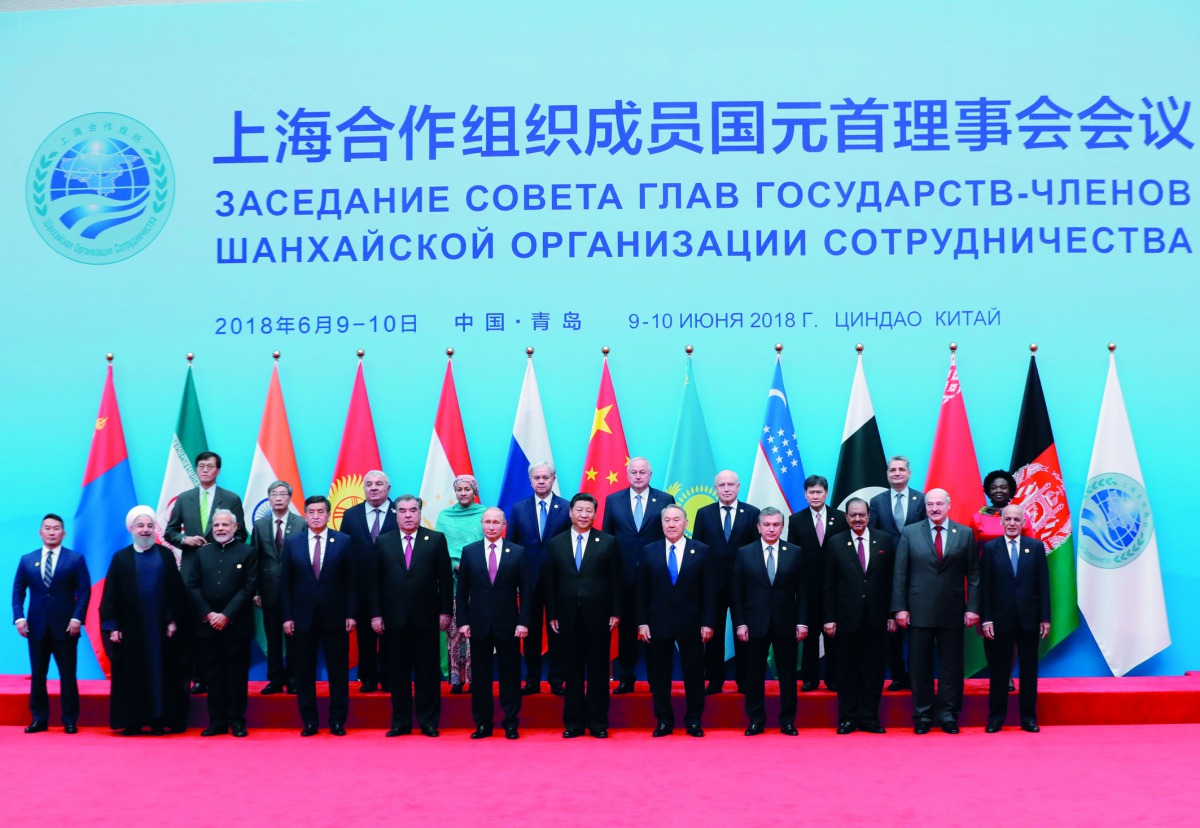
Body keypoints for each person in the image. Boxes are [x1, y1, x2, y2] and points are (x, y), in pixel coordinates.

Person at [891, 488, 980, 734]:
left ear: (948, 505)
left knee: (952, 666)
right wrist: (900, 608)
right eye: (930, 504)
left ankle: (949, 714)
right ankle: (923, 715)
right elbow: (900, 573)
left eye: (939, 504)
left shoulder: (964, 534)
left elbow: (973, 575)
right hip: (918, 611)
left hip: (953, 611)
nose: (934, 508)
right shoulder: (910, 533)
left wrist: (973, 607)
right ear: (925, 507)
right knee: (920, 666)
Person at [99, 506, 190, 735]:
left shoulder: (166, 555)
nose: (145, 530)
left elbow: (175, 593)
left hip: (160, 631)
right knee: (132, 674)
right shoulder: (121, 558)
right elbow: (110, 594)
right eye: (140, 525)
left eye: (149, 525)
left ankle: (159, 720)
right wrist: (113, 626)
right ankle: (133, 721)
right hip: (131, 630)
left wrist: (172, 620)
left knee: (162, 674)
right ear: (131, 529)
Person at [164, 450, 247, 695]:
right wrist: (185, 539)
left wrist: (219, 546)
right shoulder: (184, 498)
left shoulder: (231, 498)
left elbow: (241, 535)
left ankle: (224, 677)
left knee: (222, 626)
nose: (205, 470)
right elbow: (169, 532)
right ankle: (198, 677)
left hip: (224, 572)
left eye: (210, 466)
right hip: (192, 571)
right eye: (201, 466)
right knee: (195, 628)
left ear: (218, 471)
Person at [371, 495, 453, 737]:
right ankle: (401, 722)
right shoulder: (384, 541)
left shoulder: (435, 539)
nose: (408, 515)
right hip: (394, 619)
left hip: (426, 618)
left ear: (419, 513)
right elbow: (374, 582)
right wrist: (376, 615)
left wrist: (445, 611)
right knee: (397, 673)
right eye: (403, 511)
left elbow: (445, 580)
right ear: (395, 514)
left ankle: (429, 722)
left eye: (413, 510)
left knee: (427, 672)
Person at [545, 493, 621, 738]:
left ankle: (598, 723)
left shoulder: (608, 541)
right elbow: (551, 582)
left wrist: (616, 612)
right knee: (573, 672)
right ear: (570, 512)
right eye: (579, 510)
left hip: (599, 617)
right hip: (566, 618)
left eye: (589, 511)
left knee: (599, 672)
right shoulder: (556, 542)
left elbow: (615, 580)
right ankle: (573, 724)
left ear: (595, 514)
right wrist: (553, 613)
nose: (584, 515)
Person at [280, 495, 356, 737]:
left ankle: (336, 721)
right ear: (305, 514)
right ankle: (310, 721)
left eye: (320, 511)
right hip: (301, 618)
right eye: (311, 511)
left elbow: (352, 583)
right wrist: (287, 616)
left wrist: (351, 614)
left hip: (336, 616)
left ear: (328, 514)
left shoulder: (343, 541)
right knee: (303, 672)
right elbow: (285, 584)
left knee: (338, 672)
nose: (315, 516)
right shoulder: (293, 542)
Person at [636, 505, 714, 737]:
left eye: (676, 520)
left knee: (694, 675)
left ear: (686, 523)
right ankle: (663, 721)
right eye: (667, 520)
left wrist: (708, 622)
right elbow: (641, 591)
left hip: (692, 623)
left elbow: (709, 591)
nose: (671, 524)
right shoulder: (649, 550)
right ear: (662, 524)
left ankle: (693, 721)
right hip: (657, 623)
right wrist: (642, 622)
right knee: (659, 676)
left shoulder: (701, 550)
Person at [456, 507, 532, 739]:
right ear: (482, 524)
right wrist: (463, 621)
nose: (491, 526)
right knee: (480, 677)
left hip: (508, 624)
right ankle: (482, 724)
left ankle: (510, 723)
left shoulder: (517, 553)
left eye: (495, 523)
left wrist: (523, 622)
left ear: (503, 525)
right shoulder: (469, 552)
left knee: (510, 676)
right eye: (487, 522)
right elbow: (462, 592)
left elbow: (527, 592)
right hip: (478, 624)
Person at [12, 513, 90, 734]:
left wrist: (77, 618)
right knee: (38, 675)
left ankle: (70, 720)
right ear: (40, 532)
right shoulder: (27, 560)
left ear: (63, 533)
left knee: (67, 675)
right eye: (47, 528)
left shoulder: (75, 559)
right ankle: (39, 719)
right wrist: (19, 618)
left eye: (56, 528)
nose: (51, 532)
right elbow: (18, 591)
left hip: (66, 628)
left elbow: (84, 592)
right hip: (36, 628)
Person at [602, 456, 674, 694]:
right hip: (623, 577)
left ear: (650, 475)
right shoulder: (613, 500)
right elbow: (607, 539)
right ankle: (626, 678)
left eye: (643, 472)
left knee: (657, 628)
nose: (638, 476)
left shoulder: (665, 499)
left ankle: (656, 679)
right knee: (626, 630)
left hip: (656, 576)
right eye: (634, 472)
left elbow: (669, 537)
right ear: (627, 474)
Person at [732, 507, 807, 736]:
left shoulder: (794, 552)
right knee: (753, 675)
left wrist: (802, 622)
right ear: (759, 527)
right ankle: (756, 720)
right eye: (767, 524)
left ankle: (787, 721)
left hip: (786, 623)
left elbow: (803, 590)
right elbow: (737, 592)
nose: (771, 529)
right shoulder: (745, 552)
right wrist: (740, 623)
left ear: (782, 527)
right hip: (754, 624)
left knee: (787, 675)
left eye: (776, 524)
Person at [823, 498, 895, 734]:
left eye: (861, 515)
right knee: (846, 670)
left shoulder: (884, 540)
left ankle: (869, 717)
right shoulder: (835, 543)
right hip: (845, 619)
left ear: (869, 515)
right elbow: (828, 585)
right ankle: (847, 717)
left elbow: (891, 581)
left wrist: (892, 614)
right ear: (846, 517)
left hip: (877, 617)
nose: (857, 519)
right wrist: (829, 617)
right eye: (853, 515)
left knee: (873, 669)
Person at [186, 509, 257, 737]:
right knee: (213, 676)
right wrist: (209, 614)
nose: (220, 529)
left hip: (236, 626)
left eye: (225, 525)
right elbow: (193, 586)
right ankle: (217, 722)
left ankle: (237, 721)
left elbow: (249, 588)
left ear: (235, 528)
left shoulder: (248, 552)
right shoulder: (202, 554)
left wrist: (226, 615)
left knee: (236, 675)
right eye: (216, 525)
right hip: (207, 627)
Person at [981, 504, 1051, 733]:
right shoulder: (991, 549)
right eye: (1008, 519)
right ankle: (996, 719)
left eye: (1016, 519)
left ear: (1023, 523)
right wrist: (987, 618)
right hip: (999, 620)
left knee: (1029, 672)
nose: (1012, 523)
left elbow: (1043, 586)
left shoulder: (1036, 547)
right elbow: (985, 588)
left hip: (1029, 620)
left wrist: (1045, 618)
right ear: (1001, 522)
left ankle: (1029, 718)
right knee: (999, 672)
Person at [691, 470, 760, 695]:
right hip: (712, 585)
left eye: (731, 484)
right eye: (722, 485)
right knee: (713, 634)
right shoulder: (703, 513)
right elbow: (697, 551)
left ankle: (744, 679)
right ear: (715, 488)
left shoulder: (752, 513)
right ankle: (714, 680)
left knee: (744, 634)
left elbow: (756, 552)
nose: (727, 488)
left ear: (739, 486)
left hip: (744, 585)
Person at [506, 461, 571, 695]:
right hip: (526, 581)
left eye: (545, 477)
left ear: (553, 479)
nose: (541, 481)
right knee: (530, 633)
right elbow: (511, 546)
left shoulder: (566, 508)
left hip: (559, 581)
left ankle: (557, 681)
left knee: (558, 632)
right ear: (530, 480)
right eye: (537, 478)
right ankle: (532, 680)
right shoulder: (518, 508)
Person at [868, 455, 925, 691]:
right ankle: (899, 676)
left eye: (902, 469)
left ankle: (916, 676)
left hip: (918, 571)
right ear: (887, 474)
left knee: (917, 629)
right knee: (890, 629)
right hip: (887, 573)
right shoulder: (877, 501)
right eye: (893, 470)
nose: (897, 473)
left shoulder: (922, 499)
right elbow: (873, 536)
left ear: (909, 473)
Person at [337, 470, 397, 694]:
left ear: (388, 488)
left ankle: (389, 677)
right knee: (365, 637)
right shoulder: (351, 515)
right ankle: (368, 678)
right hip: (360, 588)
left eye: (379, 484)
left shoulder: (399, 512)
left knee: (391, 636)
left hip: (393, 587)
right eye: (369, 484)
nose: (373, 488)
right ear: (363, 489)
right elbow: (343, 550)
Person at [786, 474, 847, 692]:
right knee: (810, 636)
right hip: (807, 589)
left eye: (819, 492)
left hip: (835, 588)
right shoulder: (796, 519)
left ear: (826, 493)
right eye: (811, 492)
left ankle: (833, 678)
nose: (815, 496)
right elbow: (792, 555)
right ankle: (810, 678)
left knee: (833, 635)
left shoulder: (840, 518)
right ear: (805, 494)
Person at [249, 480, 305, 695]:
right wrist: (255, 591)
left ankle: (292, 678)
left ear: (290, 498)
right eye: (274, 494)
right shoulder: (260, 525)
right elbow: (255, 560)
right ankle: (275, 679)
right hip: (269, 590)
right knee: (273, 637)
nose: (279, 497)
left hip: (295, 591)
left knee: (293, 637)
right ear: (269, 498)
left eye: (283, 494)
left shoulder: (300, 523)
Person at [435, 474, 485, 693]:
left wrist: (471, 565)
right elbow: (439, 546)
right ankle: (457, 679)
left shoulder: (485, 515)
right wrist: (456, 562)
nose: (463, 493)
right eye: (459, 489)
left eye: (467, 489)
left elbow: (490, 543)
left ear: (474, 491)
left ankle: (476, 678)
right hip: (453, 584)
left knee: (477, 634)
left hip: (481, 584)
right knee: (454, 633)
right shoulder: (444, 516)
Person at [970, 469, 1032, 545]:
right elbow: (972, 550)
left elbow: (1031, 547)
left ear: (1010, 491)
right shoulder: (977, 518)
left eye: (1003, 487)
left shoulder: (1020, 516)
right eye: (993, 488)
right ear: (988, 491)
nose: (998, 490)